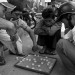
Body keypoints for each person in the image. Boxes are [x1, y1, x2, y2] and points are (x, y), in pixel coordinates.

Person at [55, 1, 75, 75]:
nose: (63, 24)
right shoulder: (73, 28)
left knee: (61, 44)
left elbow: (63, 41)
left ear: (69, 16)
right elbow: (65, 37)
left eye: (62, 20)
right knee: (63, 41)